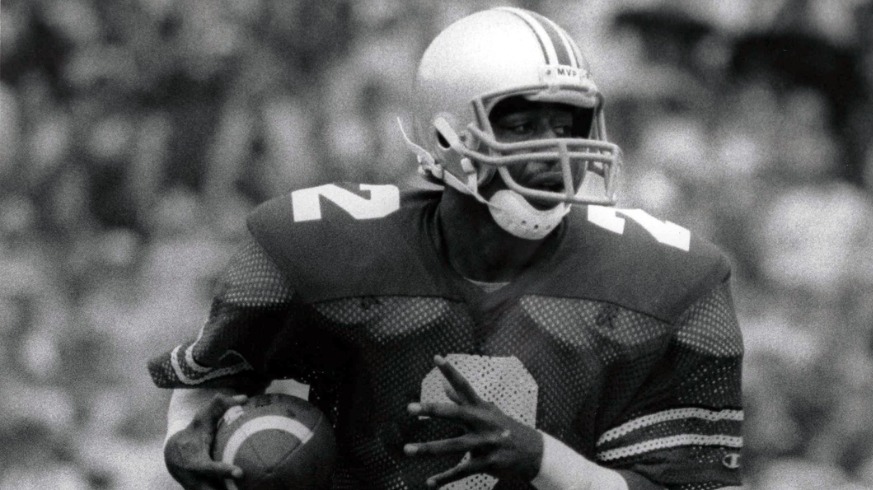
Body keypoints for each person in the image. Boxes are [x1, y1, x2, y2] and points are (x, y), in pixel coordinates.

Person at [149, 7, 744, 490]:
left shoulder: (670, 280)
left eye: (568, 124)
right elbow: (218, 375)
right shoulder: (315, 248)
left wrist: (545, 461)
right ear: (445, 134)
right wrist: (185, 439)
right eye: (521, 124)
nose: (554, 149)